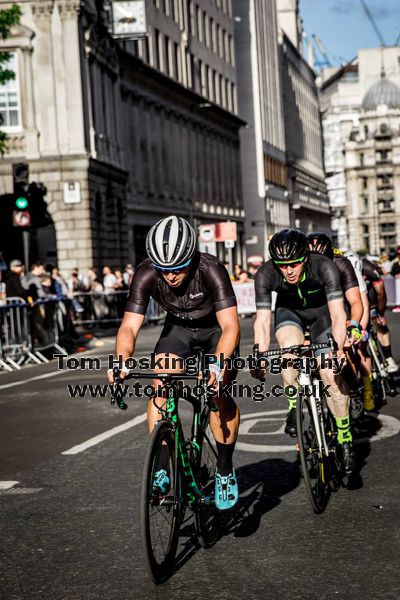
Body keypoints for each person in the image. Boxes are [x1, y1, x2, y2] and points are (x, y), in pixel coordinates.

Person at [108, 216, 240, 509]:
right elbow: (129, 327)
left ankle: (224, 468)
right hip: (178, 330)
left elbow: (231, 326)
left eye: (178, 268)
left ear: (191, 257)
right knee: (160, 385)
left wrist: (218, 365)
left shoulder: (211, 269)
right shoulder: (145, 272)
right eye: (164, 270)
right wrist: (121, 362)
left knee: (219, 395)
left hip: (214, 330)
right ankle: (164, 466)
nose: (170, 276)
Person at [252, 229, 354, 474]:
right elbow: (263, 322)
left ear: (305, 258)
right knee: (288, 355)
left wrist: (338, 349)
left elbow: (339, 315)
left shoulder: (325, 266)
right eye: (282, 265)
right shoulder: (265, 274)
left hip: (322, 316)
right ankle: (292, 408)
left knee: (330, 373)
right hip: (290, 314)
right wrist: (259, 354)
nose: (289, 271)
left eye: (295, 264)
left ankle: (344, 437)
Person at [363, 256, 398, 372]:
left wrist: (380, 313)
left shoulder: (368, 268)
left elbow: (381, 293)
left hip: (372, 298)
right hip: (357, 301)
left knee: (379, 324)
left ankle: (388, 358)